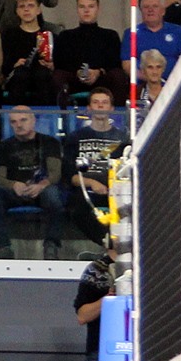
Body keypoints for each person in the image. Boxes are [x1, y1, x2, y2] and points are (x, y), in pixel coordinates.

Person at [0, 106, 65, 260]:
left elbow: (55, 173)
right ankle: (3, 247)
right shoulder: (3, 147)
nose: (19, 125)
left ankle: (51, 245)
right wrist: (13, 185)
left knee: (54, 194)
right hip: (14, 191)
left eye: (23, 120)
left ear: (33, 121)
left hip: (42, 190)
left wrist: (41, 185)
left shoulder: (49, 142)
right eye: (14, 122)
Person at [62, 87, 127, 246]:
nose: (100, 106)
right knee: (76, 207)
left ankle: (115, 247)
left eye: (104, 103)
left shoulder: (122, 139)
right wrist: (92, 183)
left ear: (111, 108)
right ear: (89, 108)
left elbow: (126, 172)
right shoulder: (75, 138)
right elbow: (69, 175)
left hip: (115, 189)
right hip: (85, 189)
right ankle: (108, 246)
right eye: (96, 102)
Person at [53, 0, 128, 103]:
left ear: (98, 8)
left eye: (91, 6)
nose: (86, 10)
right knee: (58, 76)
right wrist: (77, 72)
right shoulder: (65, 36)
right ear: (77, 9)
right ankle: (61, 113)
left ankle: (118, 113)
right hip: (74, 80)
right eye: (82, 7)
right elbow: (60, 63)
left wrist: (98, 72)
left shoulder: (110, 35)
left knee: (118, 75)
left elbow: (115, 62)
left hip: (102, 80)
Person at [0, 0, 61, 107]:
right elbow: (4, 67)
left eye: (31, 6)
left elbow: (58, 65)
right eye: (22, 6)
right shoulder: (8, 35)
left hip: (42, 78)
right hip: (17, 78)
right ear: (17, 11)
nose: (26, 9)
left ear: (38, 10)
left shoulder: (50, 36)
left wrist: (52, 65)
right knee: (21, 74)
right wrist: (14, 65)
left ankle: (45, 116)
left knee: (42, 74)